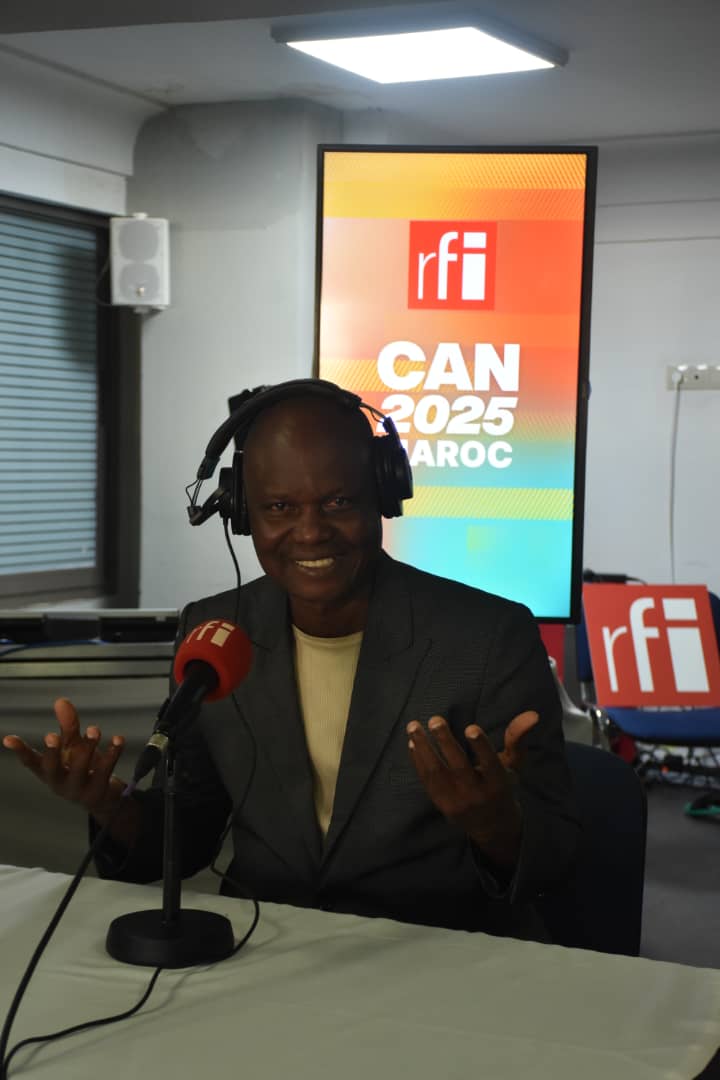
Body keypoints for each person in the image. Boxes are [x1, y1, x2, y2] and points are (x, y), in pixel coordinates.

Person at [3, 381, 579, 939]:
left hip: (437, 954)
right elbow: (189, 835)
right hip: (269, 949)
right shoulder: (214, 632)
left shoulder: (488, 637)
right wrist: (110, 804)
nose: (310, 533)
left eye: (338, 501)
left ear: (383, 495)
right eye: (280, 506)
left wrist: (496, 825)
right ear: (241, 512)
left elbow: (558, 861)